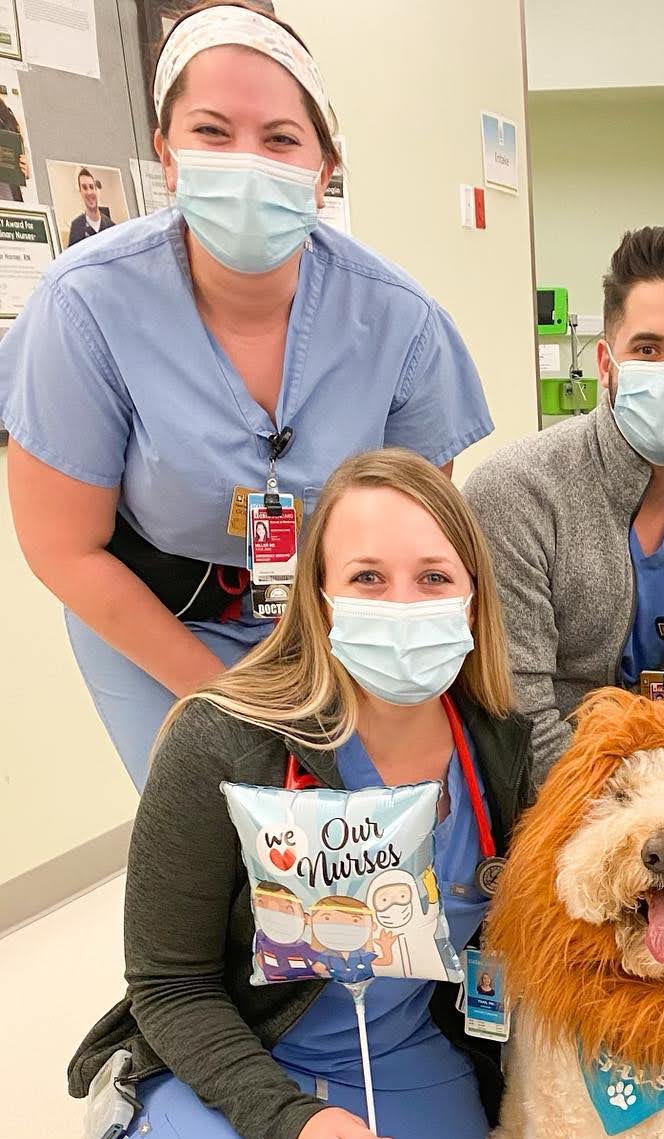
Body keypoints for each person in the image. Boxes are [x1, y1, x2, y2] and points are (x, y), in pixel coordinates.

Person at [68, 449, 532, 1139]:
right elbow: (167, 985)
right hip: (233, 1043)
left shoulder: (495, 744)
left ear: (474, 596)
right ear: (318, 599)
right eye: (367, 577)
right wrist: (287, 1124)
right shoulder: (221, 740)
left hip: (397, 1052)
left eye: (432, 577)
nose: (402, 606)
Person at [0, 2, 492, 788]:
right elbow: (63, 546)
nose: (248, 163)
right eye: (213, 132)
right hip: (155, 614)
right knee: (210, 818)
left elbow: (411, 536)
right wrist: (226, 701)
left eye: (281, 139)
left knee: (350, 819)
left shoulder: (400, 322)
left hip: (331, 621)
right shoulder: (84, 306)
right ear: (167, 155)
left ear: (323, 170)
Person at [464, 224, 664, 779]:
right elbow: (521, 721)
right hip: (547, 795)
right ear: (606, 363)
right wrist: (630, 814)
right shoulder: (517, 496)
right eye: (648, 349)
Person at [66, 168, 117, 247]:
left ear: (96, 190)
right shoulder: (76, 227)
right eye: (85, 188)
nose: (89, 192)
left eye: (91, 187)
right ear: (80, 192)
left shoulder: (111, 226)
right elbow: (72, 254)